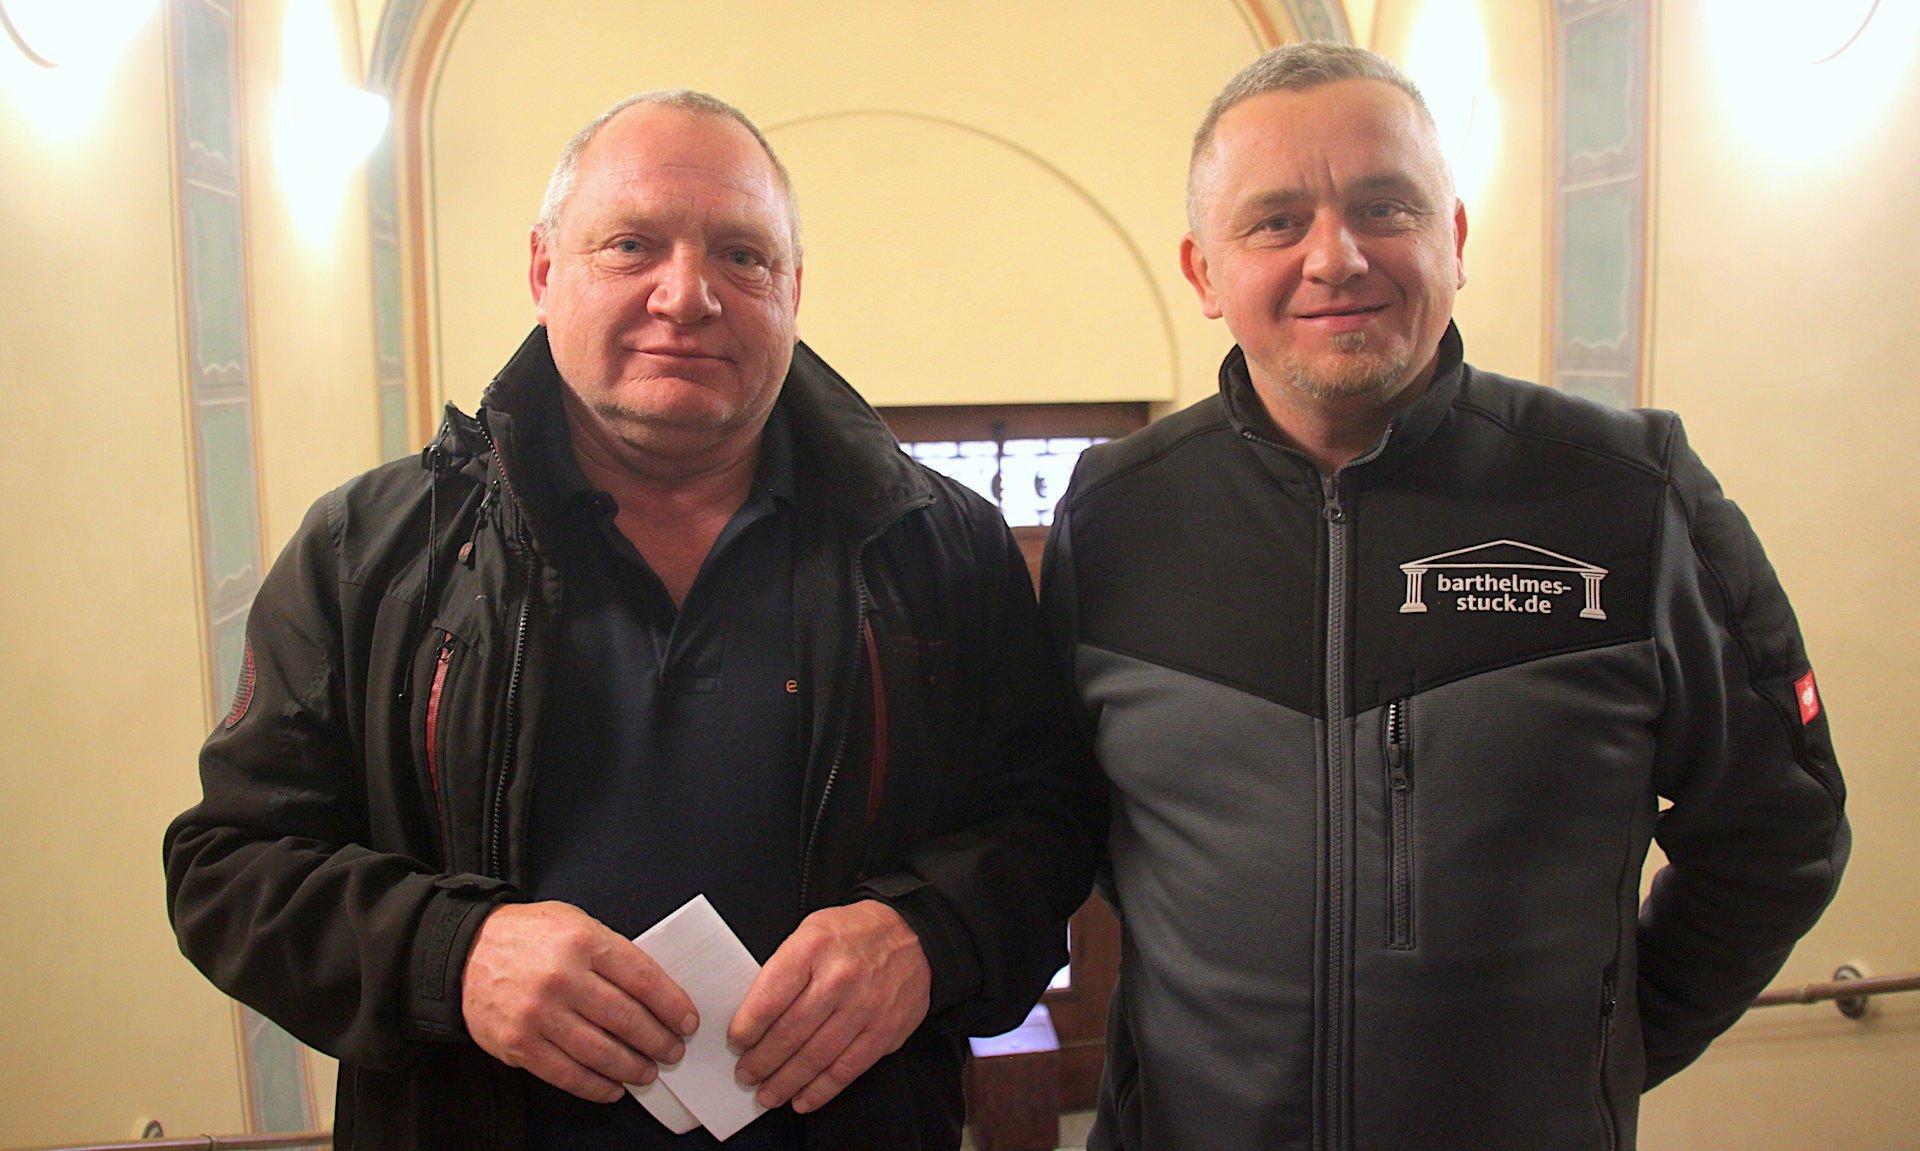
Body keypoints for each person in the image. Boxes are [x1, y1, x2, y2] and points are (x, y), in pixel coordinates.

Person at [166, 89, 1101, 1150]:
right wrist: (453, 954)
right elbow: (229, 868)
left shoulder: (943, 548)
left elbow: (1054, 822)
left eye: (742, 256)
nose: (687, 294)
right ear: (542, 270)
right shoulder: (369, 549)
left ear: (794, 289)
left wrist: (929, 935)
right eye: (631, 244)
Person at [1042, 44, 1849, 1151]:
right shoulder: (1117, 514)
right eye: (1276, 221)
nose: (1337, 257)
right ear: (1202, 272)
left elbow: (1777, 830)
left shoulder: (1627, 494)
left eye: (1386, 205)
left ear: (1453, 239)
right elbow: (1054, 822)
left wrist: (1606, 1051)